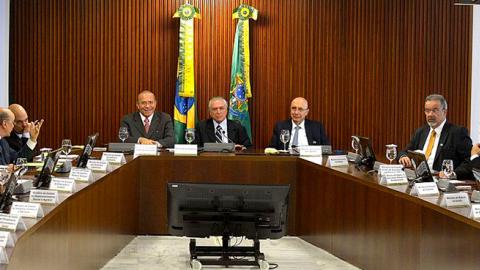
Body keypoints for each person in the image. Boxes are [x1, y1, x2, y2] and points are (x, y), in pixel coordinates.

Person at [398, 94, 472, 172]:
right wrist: (403, 156)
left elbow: (469, 160)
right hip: (419, 178)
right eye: (427, 111)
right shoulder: (421, 132)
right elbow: (405, 151)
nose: (430, 114)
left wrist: (453, 174)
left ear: (444, 111)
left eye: (434, 110)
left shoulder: (457, 132)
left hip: (442, 180)